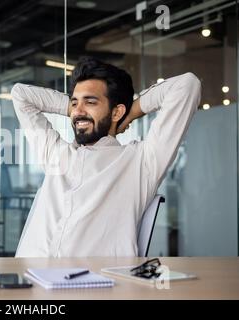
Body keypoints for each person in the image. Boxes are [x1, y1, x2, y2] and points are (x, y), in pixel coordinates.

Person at [11, 57, 201, 257]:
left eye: (91, 102)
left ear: (117, 111)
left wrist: (131, 112)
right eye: (75, 103)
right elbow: (21, 95)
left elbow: (187, 85)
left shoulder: (141, 162)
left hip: (92, 282)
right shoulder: (56, 154)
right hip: (26, 279)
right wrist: (78, 109)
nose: (78, 111)